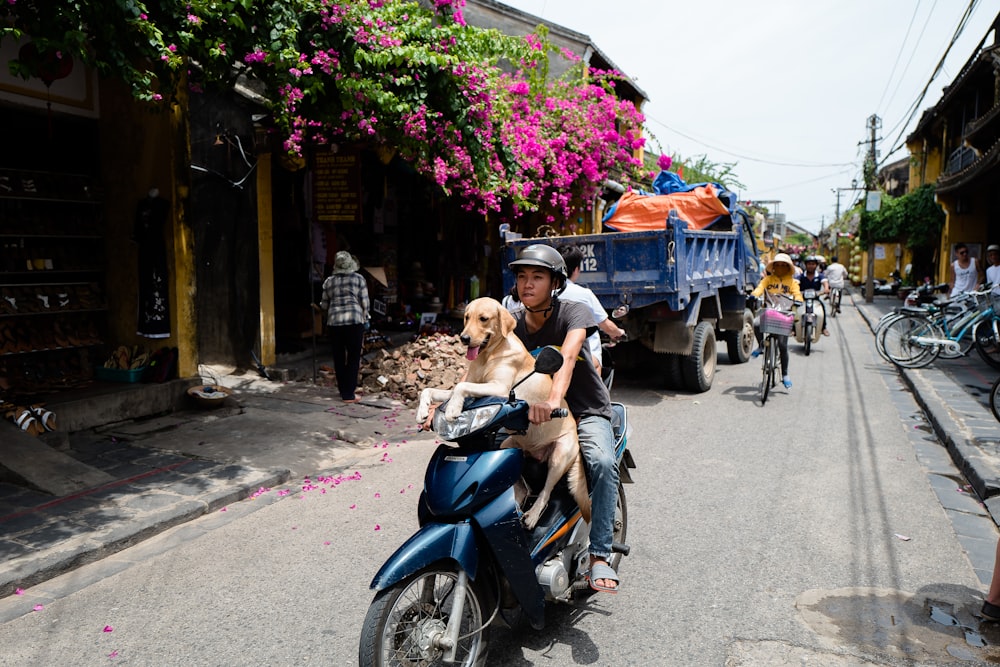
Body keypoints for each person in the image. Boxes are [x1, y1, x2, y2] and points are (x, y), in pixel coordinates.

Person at [508, 243, 622, 594]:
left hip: (584, 409)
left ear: (555, 283)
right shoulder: (511, 321)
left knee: (601, 461)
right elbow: (490, 364)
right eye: (522, 277)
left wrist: (554, 400)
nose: (527, 284)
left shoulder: (574, 312)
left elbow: (569, 357)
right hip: (529, 413)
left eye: (537, 277)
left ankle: (601, 553)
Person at [557, 245, 626, 376]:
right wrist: (618, 332)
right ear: (576, 269)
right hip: (584, 359)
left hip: (551, 355)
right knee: (595, 373)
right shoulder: (584, 294)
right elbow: (606, 325)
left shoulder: (545, 293)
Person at [317, 251, 370, 403]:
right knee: (353, 357)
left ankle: (343, 390)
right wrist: (366, 318)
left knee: (338, 357)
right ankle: (349, 393)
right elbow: (365, 303)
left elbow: (324, 305)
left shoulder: (329, 281)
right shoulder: (359, 279)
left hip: (334, 324)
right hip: (354, 322)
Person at [750, 252, 802, 389]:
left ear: (788, 267)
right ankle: (761, 346)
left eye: (783, 265)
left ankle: (785, 374)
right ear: (773, 267)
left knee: (783, 346)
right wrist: (754, 295)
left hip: (784, 315)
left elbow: (797, 294)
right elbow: (760, 288)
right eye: (777, 265)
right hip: (769, 312)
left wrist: (798, 301)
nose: (779, 267)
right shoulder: (768, 280)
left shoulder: (792, 282)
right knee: (756, 323)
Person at [796, 256, 830, 336]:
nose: (811, 266)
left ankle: (823, 328)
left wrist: (826, 289)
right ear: (805, 265)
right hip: (802, 299)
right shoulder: (801, 276)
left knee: (822, 308)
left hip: (815, 299)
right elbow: (795, 283)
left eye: (813, 264)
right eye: (809, 264)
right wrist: (796, 291)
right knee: (794, 309)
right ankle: (793, 328)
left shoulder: (820, 276)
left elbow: (825, 282)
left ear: (816, 265)